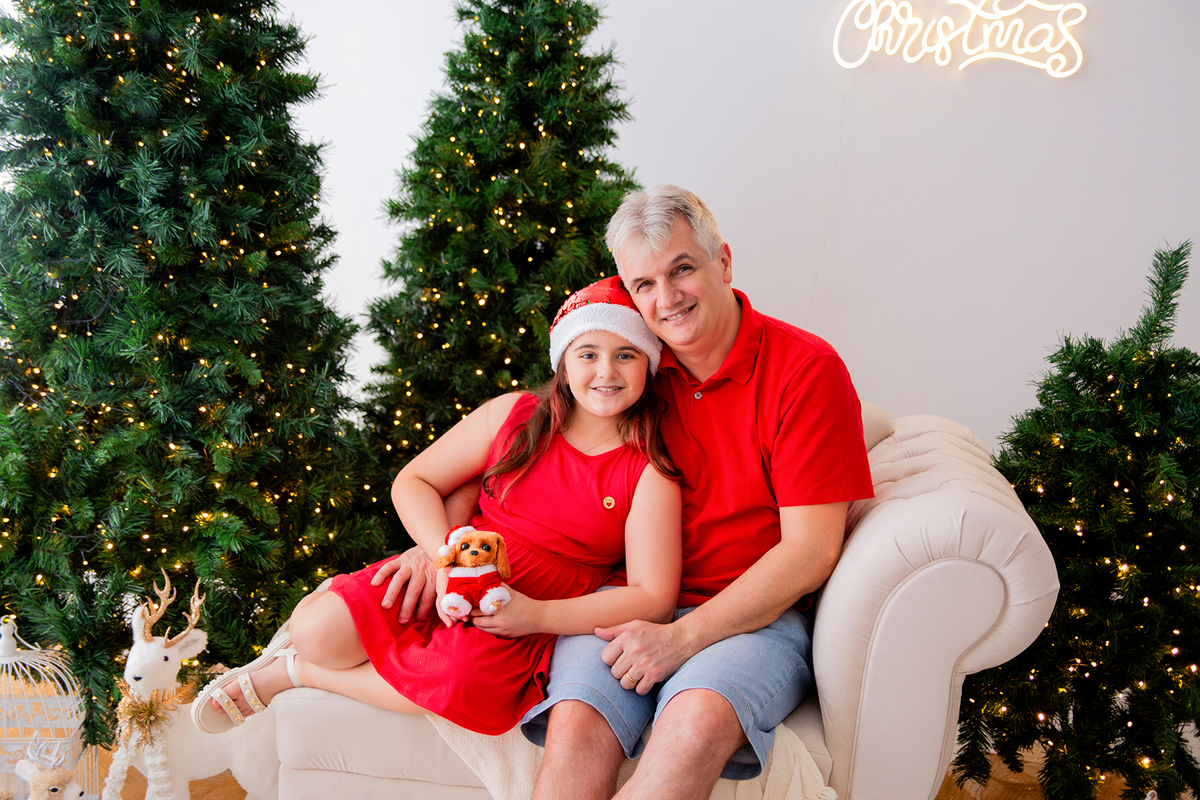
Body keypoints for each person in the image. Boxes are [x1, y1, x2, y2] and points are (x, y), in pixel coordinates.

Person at [190, 276, 682, 737]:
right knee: (316, 631)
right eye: (588, 353)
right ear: (563, 363)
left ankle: (294, 674)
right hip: (458, 560)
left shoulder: (649, 472)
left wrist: (536, 615)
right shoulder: (514, 415)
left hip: (523, 607)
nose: (606, 371)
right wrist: (439, 557)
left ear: (650, 364)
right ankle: (307, 650)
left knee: (458, 685)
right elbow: (415, 480)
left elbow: (653, 597)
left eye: (626, 355)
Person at [519, 185, 876, 800]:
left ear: (724, 262)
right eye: (644, 284)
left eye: (681, 269)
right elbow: (518, 454)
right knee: (575, 728)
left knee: (692, 728)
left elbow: (811, 551)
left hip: (756, 620)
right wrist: (441, 548)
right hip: (625, 600)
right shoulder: (629, 368)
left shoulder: (805, 370)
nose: (666, 299)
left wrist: (680, 639)